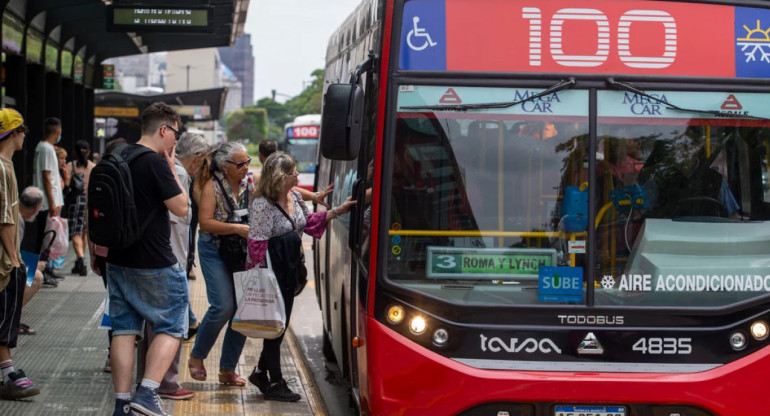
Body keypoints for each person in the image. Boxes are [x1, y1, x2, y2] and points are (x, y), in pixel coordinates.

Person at [246, 152, 355, 402]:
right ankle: (275, 381)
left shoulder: (294, 196)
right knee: (275, 329)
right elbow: (256, 244)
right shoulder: (263, 204)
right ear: (280, 176)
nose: (297, 174)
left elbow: (308, 222)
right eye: (293, 171)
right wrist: (261, 281)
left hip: (289, 272)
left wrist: (338, 210)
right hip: (271, 275)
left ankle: (261, 373)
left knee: (279, 328)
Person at [105, 102, 189, 416]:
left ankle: (121, 403)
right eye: (175, 134)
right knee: (172, 324)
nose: (175, 142)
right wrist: (170, 169)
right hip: (154, 261)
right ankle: (148, 393)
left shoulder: (116, 155)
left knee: (124, 330)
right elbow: (181, 209)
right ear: (164, 129)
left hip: (117, 258)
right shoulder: (155, 163)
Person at [134, 131, 208, 401]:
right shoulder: (177, 174)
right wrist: (178, 267)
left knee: (149, 328)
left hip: (149, 258)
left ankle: (146, 381)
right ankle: (165, 383)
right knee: (171, 327)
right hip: (168, 261)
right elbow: (179, 221)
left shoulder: (160, 167)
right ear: (198, 157)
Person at [188, 142, 253, 387]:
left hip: (241, 250)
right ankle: (197, 356)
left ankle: (227, 369)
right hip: (214, 248)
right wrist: (236, 228)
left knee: (243, 309)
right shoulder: (210, 186)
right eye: (240, 163)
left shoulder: (250, 182)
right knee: (223, 306)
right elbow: (205, 223)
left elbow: (282, 188)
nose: (245, 167)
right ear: (224, 166)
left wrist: (316, 198)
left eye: (247, 161)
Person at [0, 108, 40, 400]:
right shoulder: (2, 168)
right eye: (23, 131)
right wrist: (14, 257)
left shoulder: (6, 166)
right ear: (14, 133)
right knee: (4, 317)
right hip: (3, 260)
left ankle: (7, 370)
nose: (25, 136)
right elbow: (4, 219)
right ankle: (8, 373)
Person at [642, 126, 740, 219]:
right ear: (672, 149)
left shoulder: (715, 180)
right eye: (679, 145)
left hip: (709, 234)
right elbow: (644, 216)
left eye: (689, 145)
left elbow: (733, 217)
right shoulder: (659, 178)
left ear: (697, 148)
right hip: (667, 235)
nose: (685, 151)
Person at [88, 137, 126, 374]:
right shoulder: (130, 173)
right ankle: (127, 351)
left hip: (103, 249)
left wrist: (93, 251)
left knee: (113, 302)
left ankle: (113, 355)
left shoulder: (98, 174)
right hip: (128, 251)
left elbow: (90, 215)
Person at [30, 117, 64, 282]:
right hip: (45, 203)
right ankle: (35, 273)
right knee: (42, 239)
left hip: (45, 201)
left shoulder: (42, 147)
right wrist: (52, 202)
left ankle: (43, 270)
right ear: (58, 132)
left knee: (45, 239)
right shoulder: (46, 149)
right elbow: (46, 176)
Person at [17, 186, 45, 335]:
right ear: (36, 209)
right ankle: (10, 318)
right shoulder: (18, 221)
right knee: (36, 276)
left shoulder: (12, 211)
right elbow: (12, 255)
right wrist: (35, 265)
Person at [66, 140, 95, 276]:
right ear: (88, 152)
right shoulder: (93, 167)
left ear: (74, 152)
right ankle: (79, 261)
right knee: (83, 231)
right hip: (89, 202)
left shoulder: (70, 166)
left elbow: (66, 185)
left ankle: (81, 259)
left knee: (75, 233)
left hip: (75, 201)